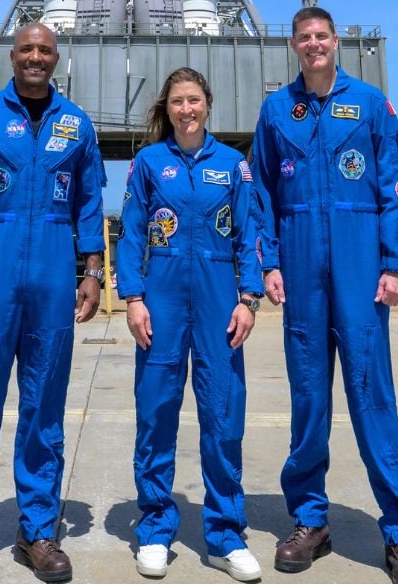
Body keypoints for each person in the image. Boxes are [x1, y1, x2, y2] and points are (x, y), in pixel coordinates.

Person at [248, 7, 398, 584]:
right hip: (300, 271)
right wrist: (268, 265)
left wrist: (396, 264)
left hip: (359, 268)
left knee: (373, 398)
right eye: (304, 38)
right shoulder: (277, 110)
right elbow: (261, 197)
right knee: (309, 399)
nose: (313, 45)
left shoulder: (371, 105)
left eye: (322, 36)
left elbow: (396, 185)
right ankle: (309, 519)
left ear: (335, 42)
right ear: (294, 46)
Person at [0, 23, 107, 584]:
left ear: (57, 59)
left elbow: (88, 203)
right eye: (27, 49)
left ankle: (37, 530)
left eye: (46, 51)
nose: (36, 57)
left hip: (54, 272)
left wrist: (93, 272)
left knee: (44, 409)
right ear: (13, 56)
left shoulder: (76, 124)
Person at [115, 68, 271, 582]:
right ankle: (156, 529)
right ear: (168, 106)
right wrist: (132, 298)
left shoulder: (233, 165)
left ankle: (226, 534)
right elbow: (132, 233)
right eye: (178, 101)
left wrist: (248, 299)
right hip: (159, 297)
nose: (187, 110)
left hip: (218, 296)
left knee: (223, 414)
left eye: (195, 100)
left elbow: (251, 233)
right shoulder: (148, 164)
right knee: (156, 411)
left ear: (208, 104)